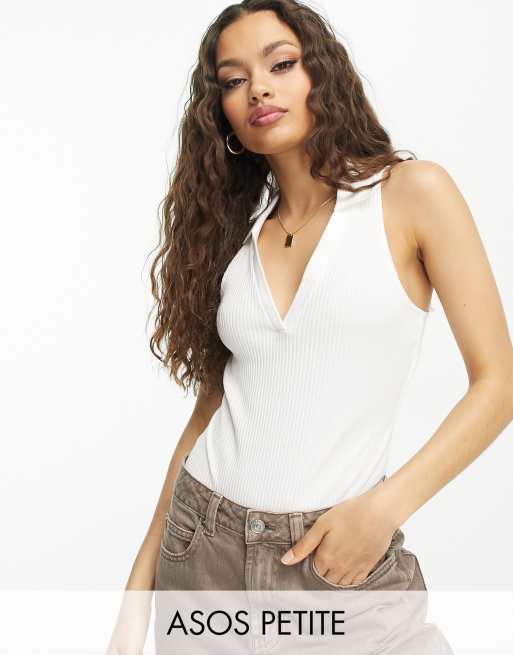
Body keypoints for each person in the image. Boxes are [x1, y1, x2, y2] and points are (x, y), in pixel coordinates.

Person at [106, 1, 513, 653]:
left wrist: (384, 509)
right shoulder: (235, 239)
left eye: (280, 64)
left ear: (321, 73)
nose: (257, 89)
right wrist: (137, 596)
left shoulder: (410, 195)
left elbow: (497, 384)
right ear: (222, 113)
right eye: (233, 80)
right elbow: (209, 411)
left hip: (336, 559)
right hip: (202, 555)